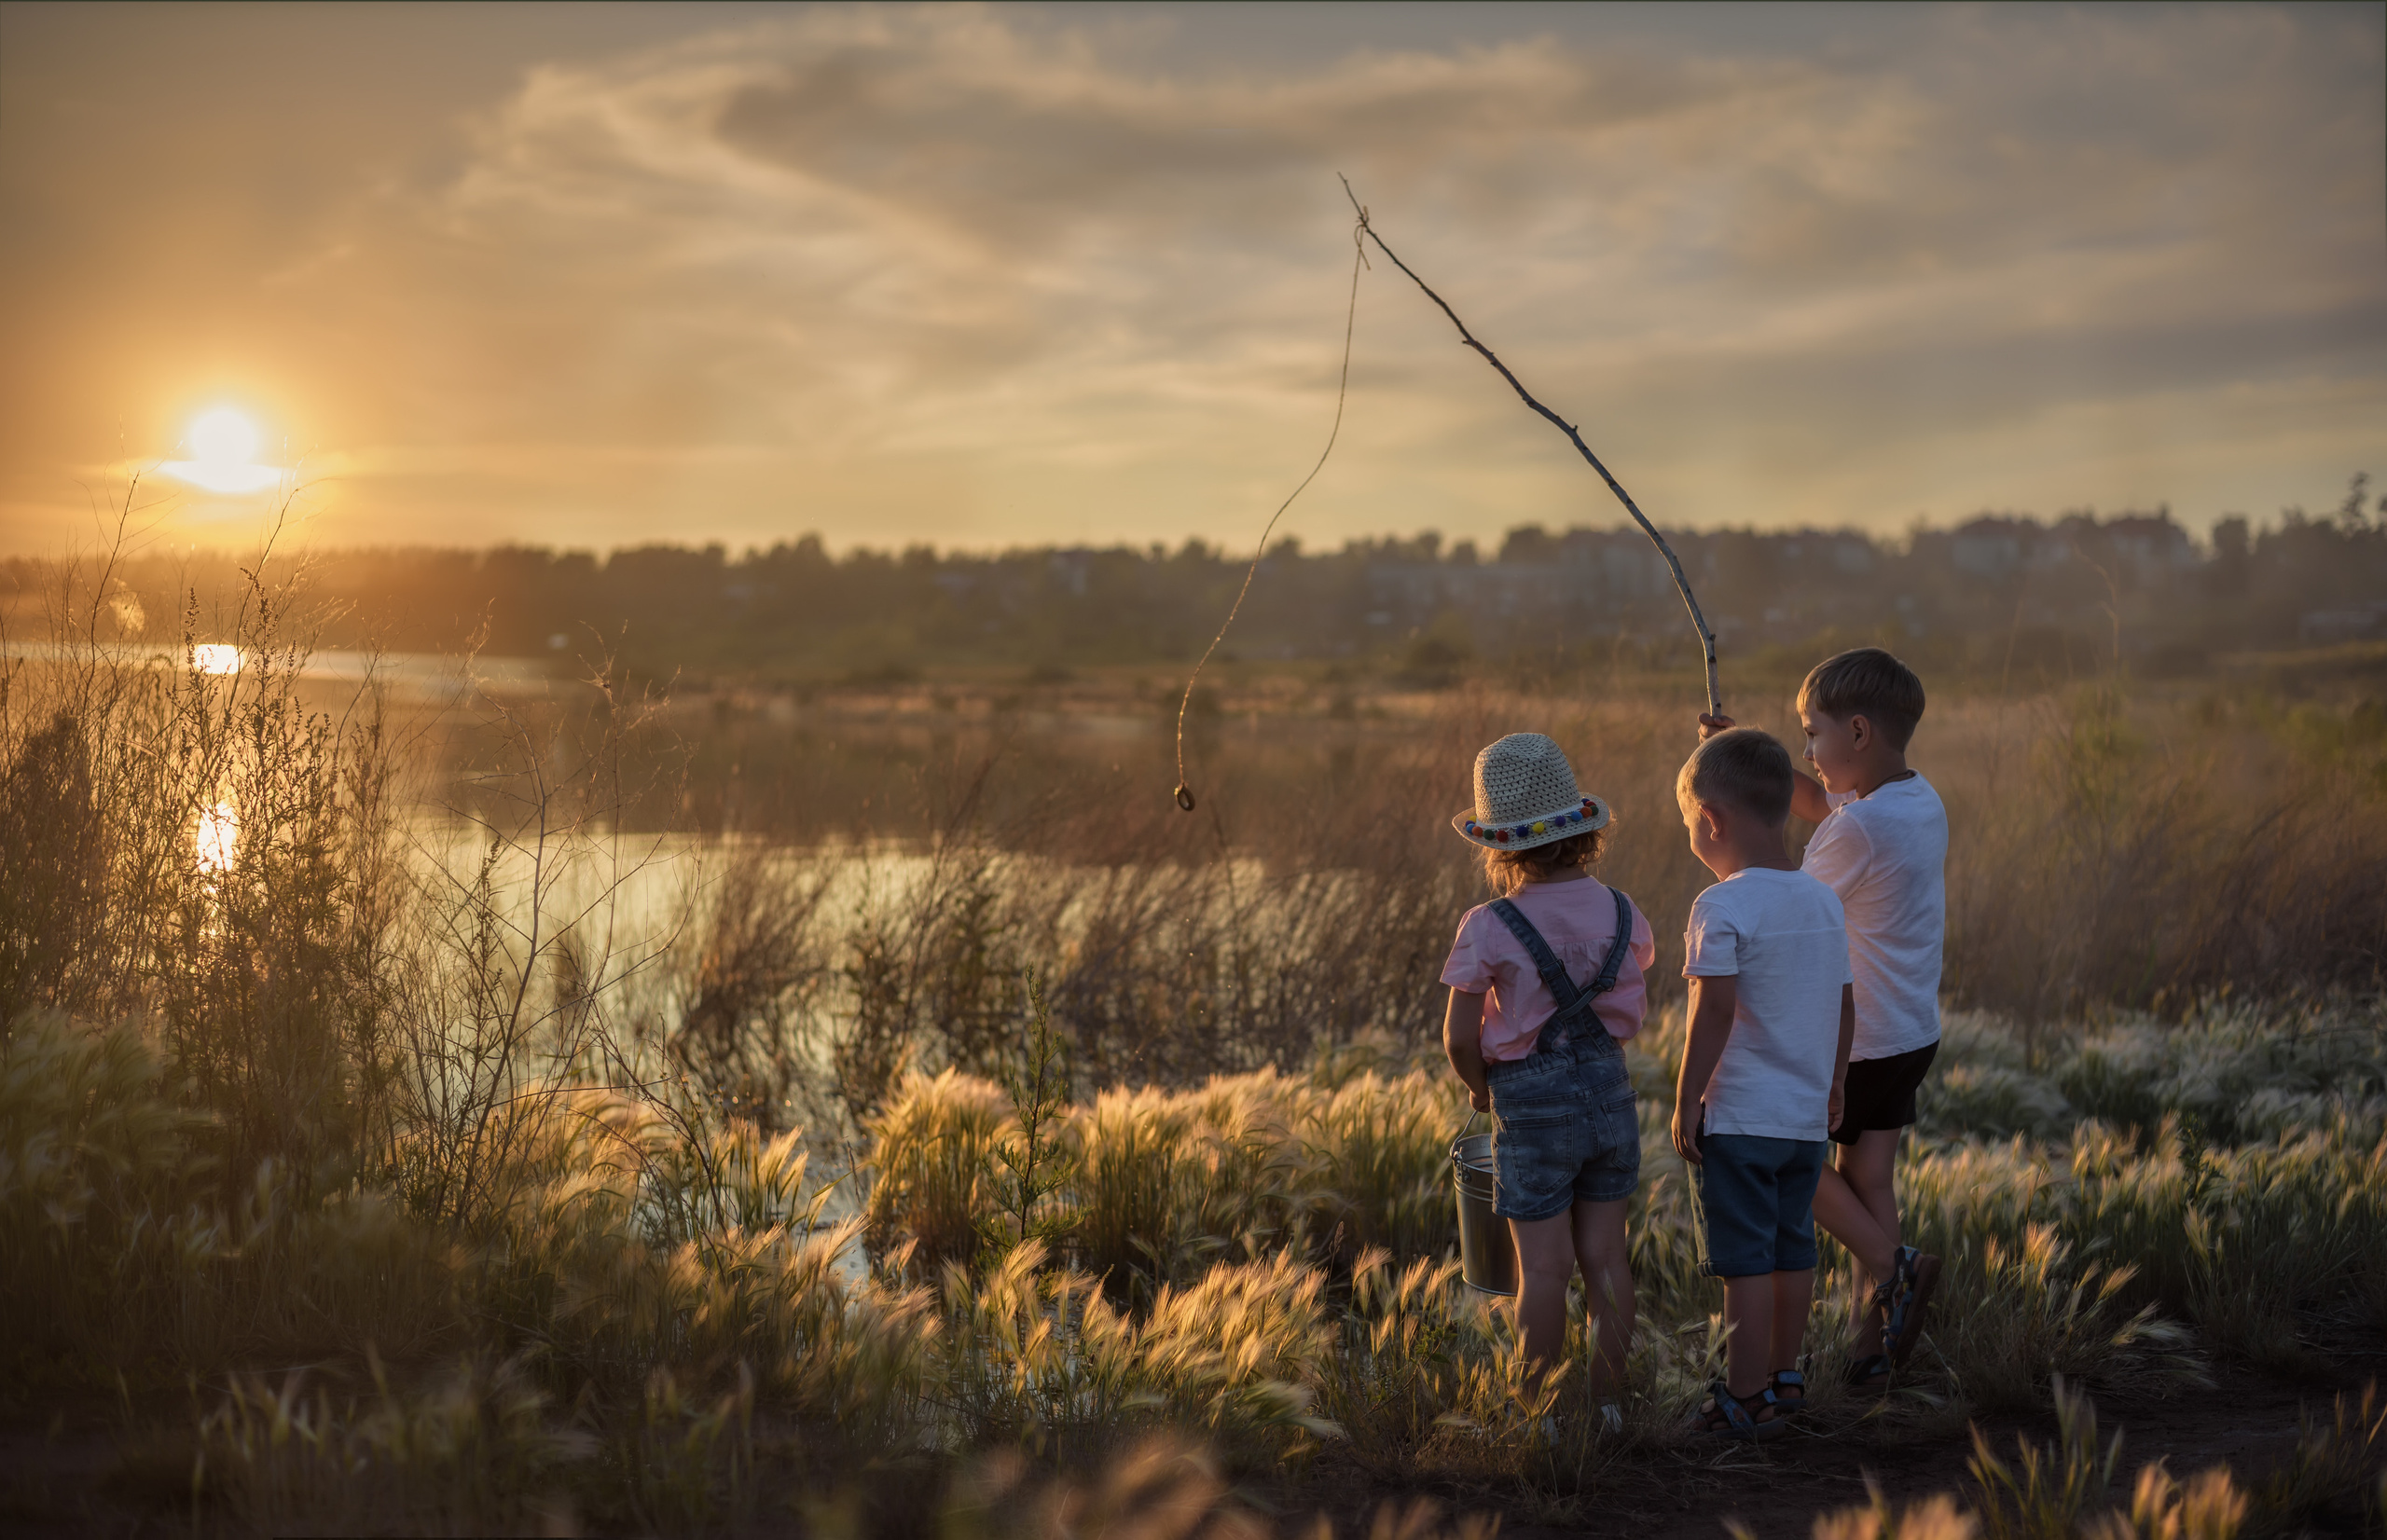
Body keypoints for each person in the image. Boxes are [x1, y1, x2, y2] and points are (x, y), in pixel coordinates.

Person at [1700, 647, 1945, 1395]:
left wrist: (1738, 816)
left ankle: (1890, 1268)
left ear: (1860, 732)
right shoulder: (1915, 798)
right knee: (1869, 1178)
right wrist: (1752, 764)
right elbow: (1820, 802)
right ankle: (1874, 1343)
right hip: (1911, 1028)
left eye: (1812, 734)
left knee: (1788, 1160)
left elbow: (1786, 908)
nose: (1806, 751)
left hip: (1857, 1038)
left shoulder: (1856, 833)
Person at [1441, 732, 1655, 1431]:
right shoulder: (1623, 912)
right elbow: (1628, 999)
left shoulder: (1488, 925)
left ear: (1497, 846)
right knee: (1606, 1260)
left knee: (1544, 1272)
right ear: (1582, 834)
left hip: (1530, 1108)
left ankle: (1538, 1415)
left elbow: (1458, 1036)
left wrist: (1480, 1088)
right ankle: (1611, 1407)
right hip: (1610, 1095)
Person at [1670, 728, 1855, 1439]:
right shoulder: (1822, 902)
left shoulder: (1721, 906)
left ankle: (1742, 1397)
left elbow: (1713, 1010)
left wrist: (1689, 1099)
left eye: (1690, 823)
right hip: (1805, 1118)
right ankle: (1786, 1376)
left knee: (1744, 1258)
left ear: (1712, 818)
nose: (1693, 834)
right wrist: (1835, 1081)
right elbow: (1843, 1002)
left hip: (1742, 1118)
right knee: (1791, 1246)